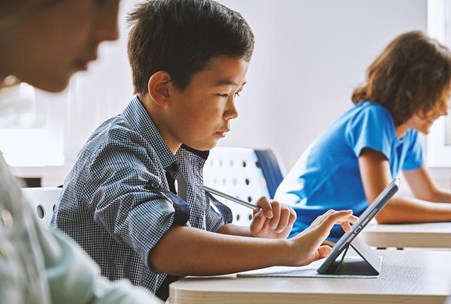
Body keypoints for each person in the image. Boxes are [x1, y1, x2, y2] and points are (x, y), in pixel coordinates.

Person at [50, 0, 357, 300]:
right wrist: (288, 251)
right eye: (223, 93)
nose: (233, 110)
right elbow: (167, 246)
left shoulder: (181, 153)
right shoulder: (115, 151)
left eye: (238, 93)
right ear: (162, 89)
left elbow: (213, 230)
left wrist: (261, 239)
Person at [274, 31, 451, 243]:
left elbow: (430, 193)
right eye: (438, 98)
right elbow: (384, 209)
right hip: (299, 232)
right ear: (412, 91)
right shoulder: (373, 118)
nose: (443, 109)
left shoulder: (406, 134)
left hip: (329, 235)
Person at [0, 0, 163, 303]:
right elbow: (163, 243)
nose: (112, 32)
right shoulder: (117, 145)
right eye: (99, 3)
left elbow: (86, 293)